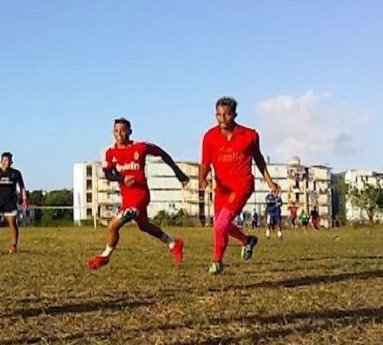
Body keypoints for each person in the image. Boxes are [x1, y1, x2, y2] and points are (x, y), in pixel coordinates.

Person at [86, 118, 188, 270]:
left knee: (112, 226)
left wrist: (178, 173)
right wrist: (122, 179)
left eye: (123, 130)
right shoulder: (108, 152)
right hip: (126, 196)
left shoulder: (140, 147)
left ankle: (105, 256)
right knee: (144, 226)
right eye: (116, 131)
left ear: (130, 131)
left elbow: (163, 154)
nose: (119, 134)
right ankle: (173, 243)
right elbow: (107, 174)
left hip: (141, 194)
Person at [198, 97, 280, 275]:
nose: (222, 119)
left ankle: (216, 263)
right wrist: (202, 179)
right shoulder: (209, 137)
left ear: (234, 114)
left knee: (221, 225)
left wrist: (269, 182)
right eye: (218, 114)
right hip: (221, 188)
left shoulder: (249, 135)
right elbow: (205, 163)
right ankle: (246, 240)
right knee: (219, 227)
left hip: (241, 186)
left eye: (226, 114)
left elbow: (259, 159)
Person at [0, 152, 28, 253]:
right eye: (5, 160)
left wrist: (24, 198)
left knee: (12, 223)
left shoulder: (16, 173)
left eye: (9, 161)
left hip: (10, 203)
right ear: (1, 161)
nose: (7, 163)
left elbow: (22, 187)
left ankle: (14, 245)